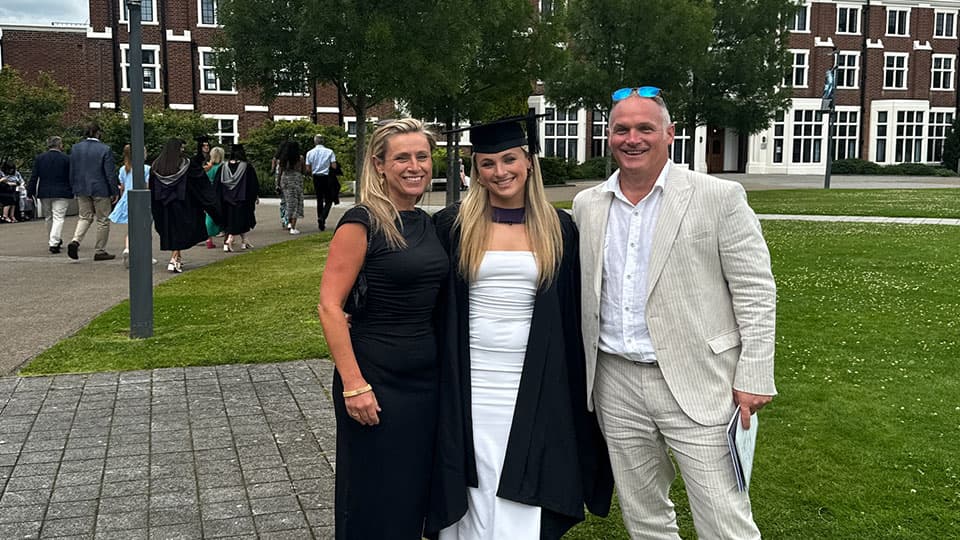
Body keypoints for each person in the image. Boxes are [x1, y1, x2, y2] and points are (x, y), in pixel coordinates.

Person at [572, 86, 778, 539]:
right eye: (621, 129)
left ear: (669, 134)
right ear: (608, 136)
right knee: (644, 515)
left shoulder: (718, 197)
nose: (633, 139)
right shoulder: (588, 205)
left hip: (700, 379)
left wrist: (755, 374)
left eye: (645, 128)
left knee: (724, 517)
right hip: (614, 382)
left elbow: (755, 289)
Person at [427, 116, 612, 540]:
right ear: (476, 169)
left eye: (509, 159)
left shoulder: (558, 228)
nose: (500, 172)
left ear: (529, 162)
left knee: (525, 477)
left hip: (533, 379)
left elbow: (577, 308)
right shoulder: (454, 226)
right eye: (487, 163)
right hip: (470, 378)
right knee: (475, 479)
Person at [317, 119, 449, 539]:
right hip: (375, 378)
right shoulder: (363, 221)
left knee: (411, 493)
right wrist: (354, 385)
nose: (415, 166)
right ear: (379, 165)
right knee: (374, 494)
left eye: (422, 156)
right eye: (402, 158)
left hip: (425, 380)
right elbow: (329, 306)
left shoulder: (429, 224)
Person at [150, 138, 221, 273]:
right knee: (180, 232)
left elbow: (152, 188)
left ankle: (177, 258)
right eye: (181, 148)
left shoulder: (156, 166)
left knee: (171, 231)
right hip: (182, 204)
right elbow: (200, 183)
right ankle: (174, 259)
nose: (183, 151)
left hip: (164, 206)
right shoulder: (186, 165)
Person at [66, 122, 119, 261]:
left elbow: (72, 169)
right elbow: (109, 173)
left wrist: (73, 186)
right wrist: (114, 191)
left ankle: (75, 240)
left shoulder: (76, 148)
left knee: (84, 217)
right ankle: (100, 250)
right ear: (98, 133)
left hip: (81, 187)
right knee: (102, 219)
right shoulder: (105, 149)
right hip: (100, 188)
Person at [27, 137, 73, 252]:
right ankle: (54, 241)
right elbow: (71, 176)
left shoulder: (40, 158)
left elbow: (34, 177)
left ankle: (53, 239)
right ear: (59, 145)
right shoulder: (66, 159)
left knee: (49, 217)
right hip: (62, 191)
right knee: (58, 217)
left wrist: (30, 192)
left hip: (44, 192)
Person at [109, 144, 152, 268]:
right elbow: (147, 185)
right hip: (142, 200)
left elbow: (122, 187)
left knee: (132, 228)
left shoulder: (124, 169)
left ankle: (128, 248)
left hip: (127, 199)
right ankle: (145, 255)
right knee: (145, 228)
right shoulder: (146, 169)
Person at [217, 144, 259, 252]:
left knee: (231, 220)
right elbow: (253, 184)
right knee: (240, 220)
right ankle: (229, 240)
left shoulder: (223, 167)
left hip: (226, 199)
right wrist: (254, 196)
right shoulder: (246, 167)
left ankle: (245, 241)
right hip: (242, 199)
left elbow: (217, 185)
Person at [305, 133, 340, 231]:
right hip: (327, 177)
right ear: (323, 141)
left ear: (314, 142)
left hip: (316, 177)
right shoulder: (329, 152)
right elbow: (334, 166)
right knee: (329, 199)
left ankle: (320, 217)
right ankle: (323, 217)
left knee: (319, 199)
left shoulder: (310, 153)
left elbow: (307, 169)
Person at [277, 140, 305, 234]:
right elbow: (303, 170)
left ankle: (288, 222)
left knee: (288, 203)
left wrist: (278, 184)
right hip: (296, 180)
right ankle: (293, 227)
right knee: (295, 204)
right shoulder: (300, 158)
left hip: (285, 180)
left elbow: (280, 172)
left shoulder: (283, 159)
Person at [204, 146, 225, 249]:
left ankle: (208, 238)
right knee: (224, 214)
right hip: (220, 192)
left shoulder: (208, 168)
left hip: (208, 192)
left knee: (209, 215)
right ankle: (226, 236)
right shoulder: (223, 167)